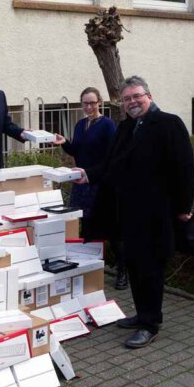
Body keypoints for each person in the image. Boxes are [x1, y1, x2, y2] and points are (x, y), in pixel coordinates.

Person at [75, 76, 194, 349]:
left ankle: (150, 324)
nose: (132, 102)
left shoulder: (168, 123)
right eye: (127, 99)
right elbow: (111, 165)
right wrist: (87, 174)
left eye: (136, 97)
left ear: (148, 96)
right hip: (128, 212)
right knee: (135, 265)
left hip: (157, 214)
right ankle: (142, 314)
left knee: (151, 268)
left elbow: (185, 169)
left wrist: (184, 208)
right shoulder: (126, 127)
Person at [53, 88, 124, 288]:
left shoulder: (107, 125)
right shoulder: (80, 124)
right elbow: (77, 150)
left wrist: (90, 173)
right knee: (86, 226)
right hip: (80, 183)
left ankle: (122, 271)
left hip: (100, 182)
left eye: (92, 103)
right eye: (85, 103)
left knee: (110, 227)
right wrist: (65, 142)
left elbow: (111, 157)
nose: (89, 107)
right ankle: (89, 267)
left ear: (100, 102)